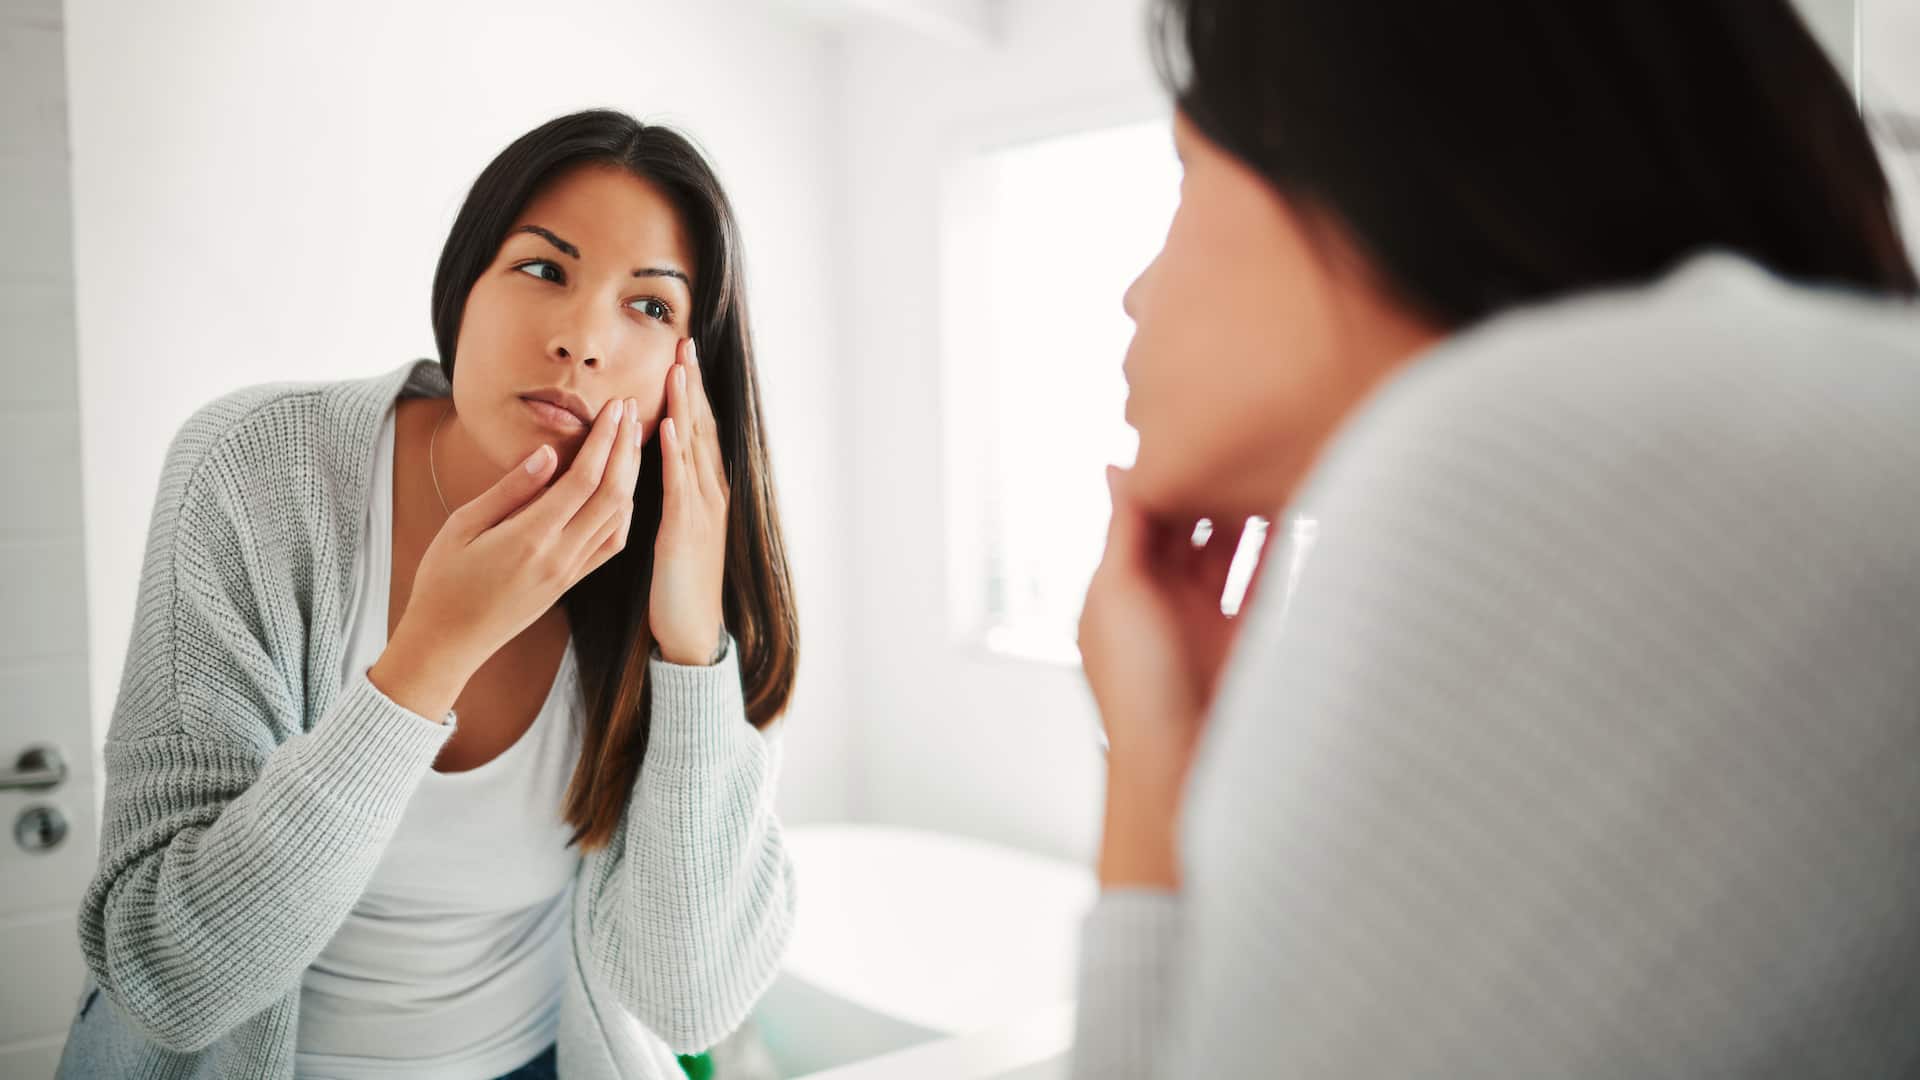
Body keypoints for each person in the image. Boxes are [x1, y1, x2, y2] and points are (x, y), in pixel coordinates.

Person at [1072, 1, 1920, 1075]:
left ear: (1371, 151)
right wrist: (1160, 776)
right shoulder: (1696, 449)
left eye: (1186, 174)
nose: (1132, 292)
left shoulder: (1534, 446)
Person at [56, 109, 799, 1080]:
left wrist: (691, 649)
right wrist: (428, 656)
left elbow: (689, 998)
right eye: (543, 269)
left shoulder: (692, 568)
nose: (580, 339)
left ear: (689, 367)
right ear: (465, 284)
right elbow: (164, 977)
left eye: (651, 307)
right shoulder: (254, 473)